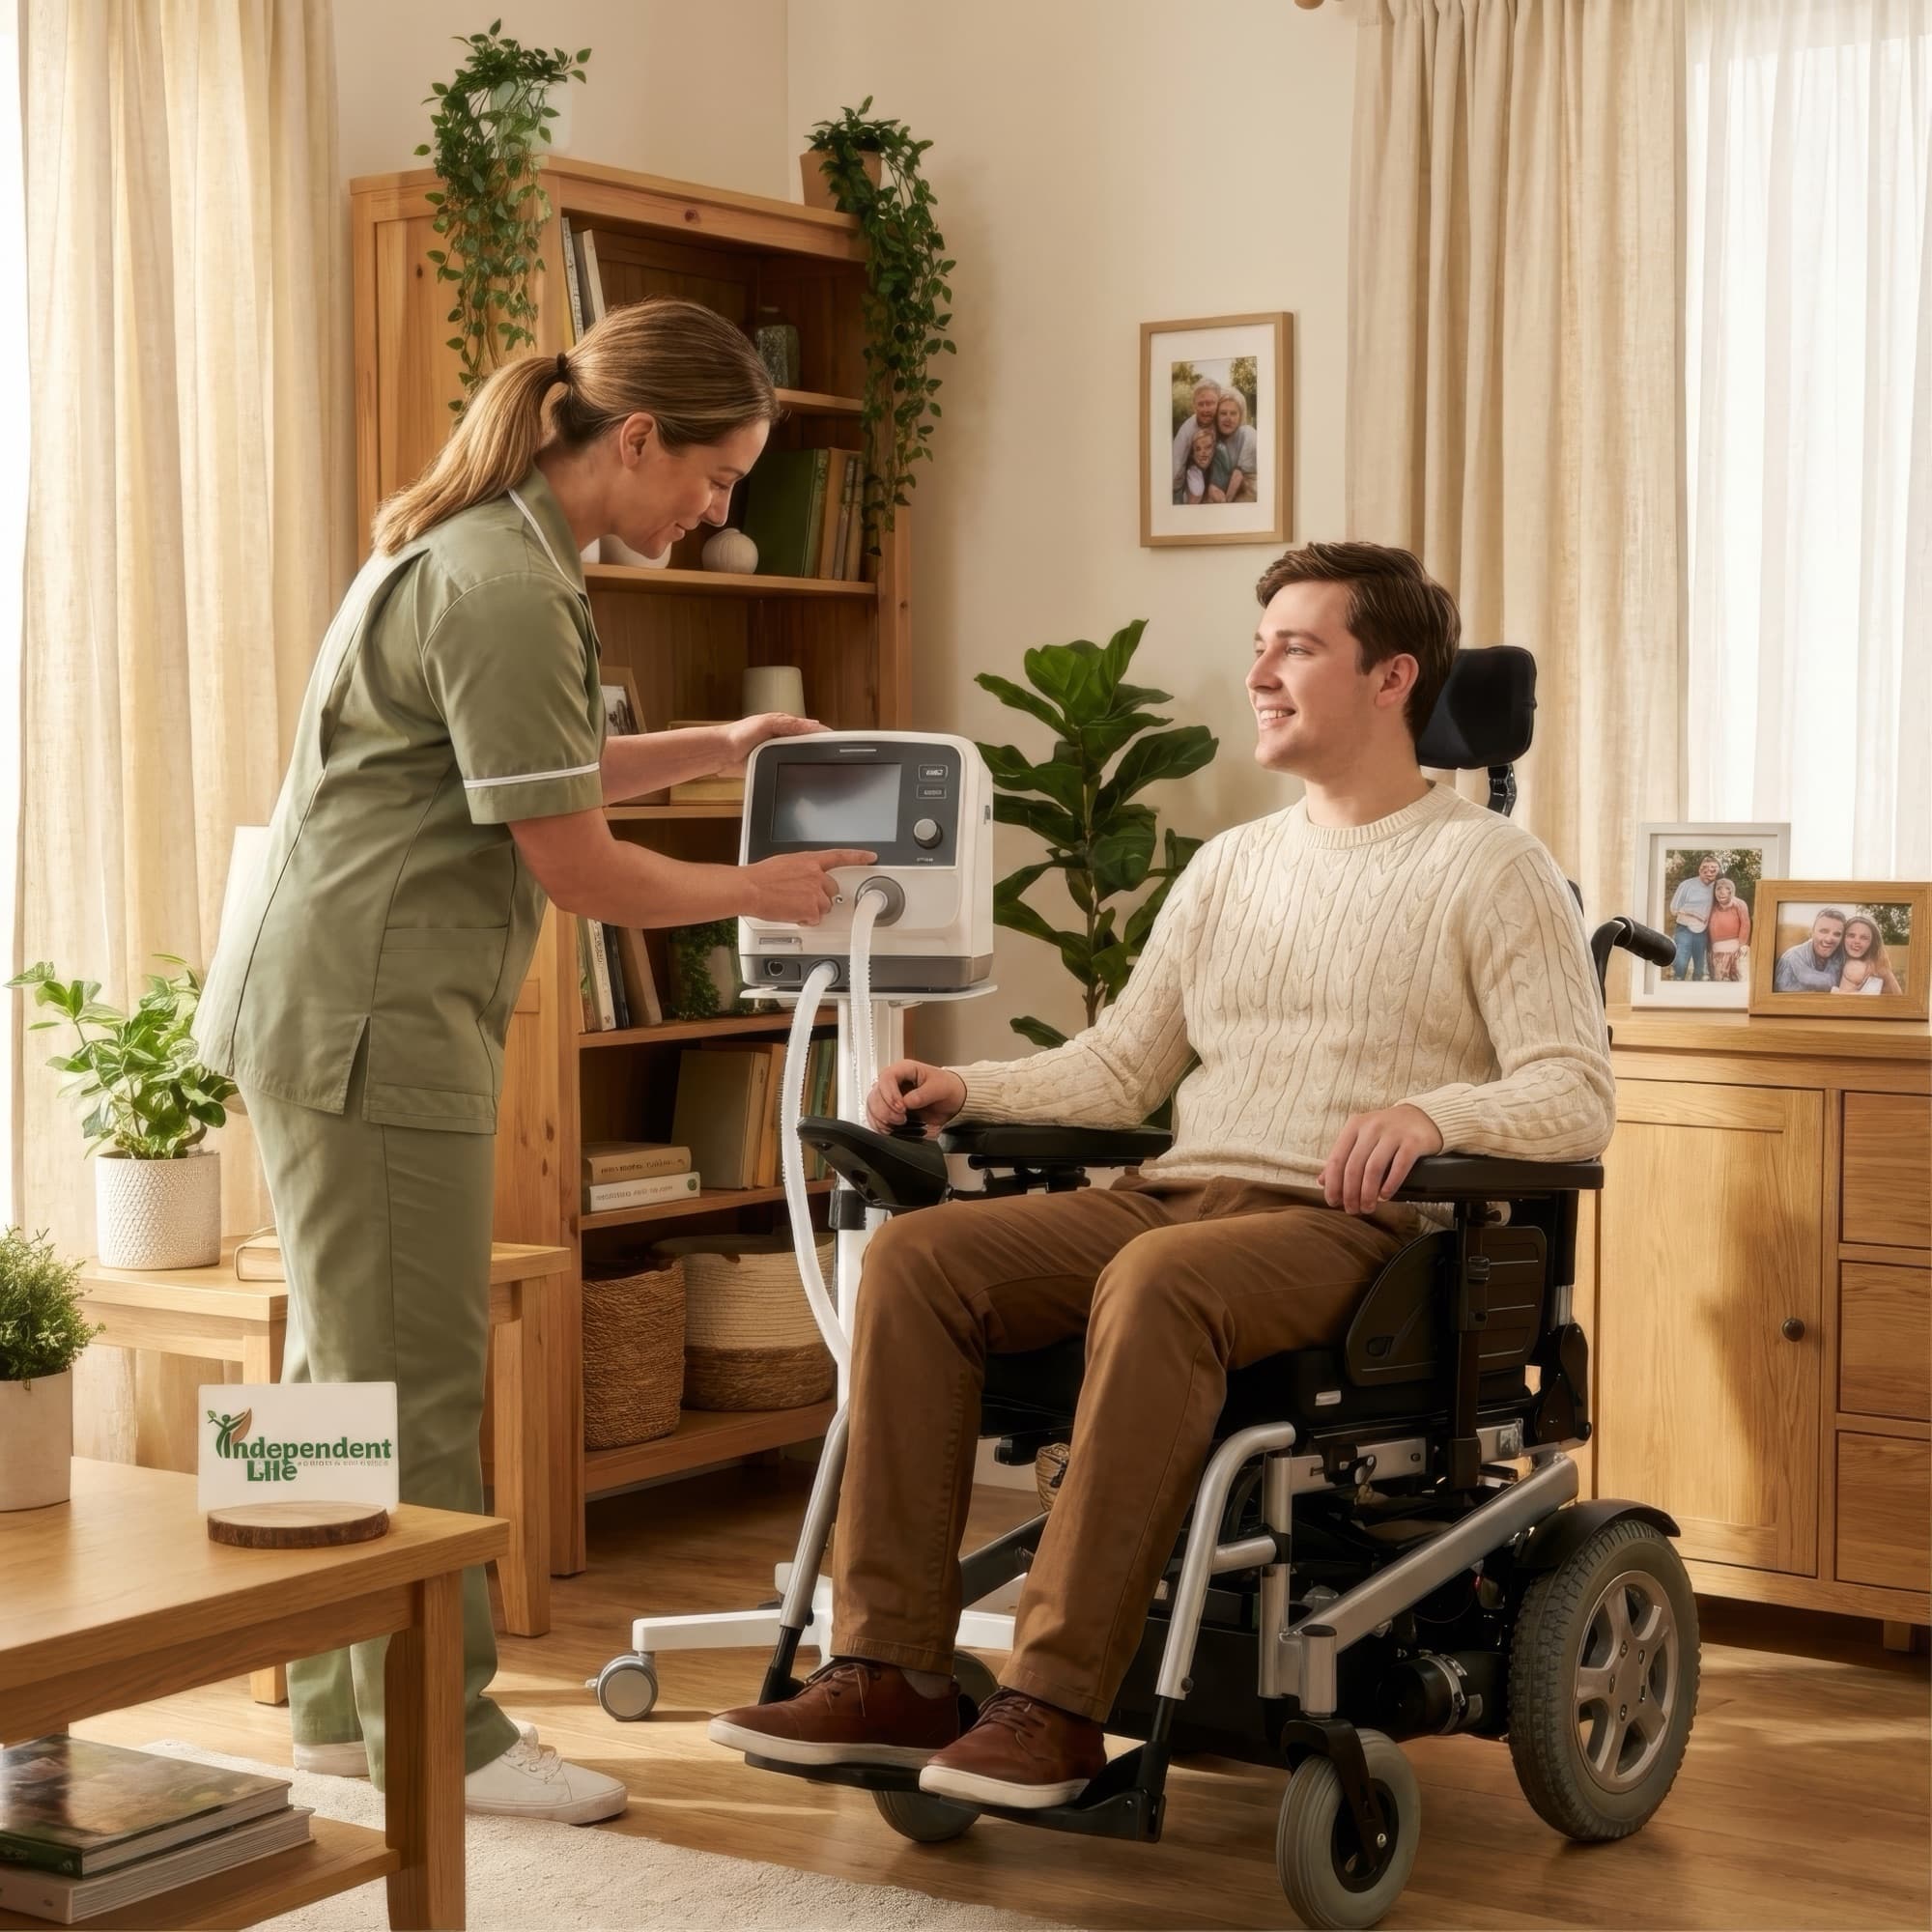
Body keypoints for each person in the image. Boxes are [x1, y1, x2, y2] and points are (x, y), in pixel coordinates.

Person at [710, 540, 1614, 1809]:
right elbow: (1121, 1066)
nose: (1260, 673)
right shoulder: (1230, 868)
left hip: (1354, 1231)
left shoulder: (1490, 868)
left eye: (1296, 647)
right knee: (921, 1256)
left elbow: (1577, 1093)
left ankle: (1055, 1703)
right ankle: (891, 1671)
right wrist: (970, 1092)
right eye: (1262, 646)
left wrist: (1430, 1111)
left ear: (1392, 677)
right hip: (1180, 1196)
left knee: (1159, 1277)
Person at [194, 298, 874, 1825]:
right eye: (713, 480)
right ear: (636, 437)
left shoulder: (493, 549)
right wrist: (753, 892)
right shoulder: (501, 580)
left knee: (330, 1369)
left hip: (334, 999)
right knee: (413, 1374)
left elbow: (529, 775)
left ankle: (329, 1706)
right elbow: (577, 866)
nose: (714, 515)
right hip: (373, 1012)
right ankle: (446, 1734)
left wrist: (706, 746)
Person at [1668, 856, 1719, 980]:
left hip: (1704, 932)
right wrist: (1695, 914)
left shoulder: (1717, 887)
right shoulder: (1687, 885)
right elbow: (1673, 909)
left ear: (1718, 871)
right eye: (1705, 869)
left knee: (1700, 970)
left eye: (1713, 870)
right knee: (1680, 965)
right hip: (1684, 929)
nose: (1709, 872)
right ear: (1699, 870)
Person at [1172, 377, 1222, 502]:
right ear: (1194, 405)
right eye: (1201, 404)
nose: (1205, 409)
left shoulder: (1222, 420)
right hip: (1194, 474)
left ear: (1218, 402)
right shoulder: (1187, 430)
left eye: (1210, 403)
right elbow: (1176, 467)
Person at [1207, 385, 1259, 504]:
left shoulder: (1248, 433)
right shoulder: (1214, 440)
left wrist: (1226, 505)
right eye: (1223, 413)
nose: (1228, 418)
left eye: (1233, 413)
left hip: (1248, 495)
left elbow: (1238, 475)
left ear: (1240, 416)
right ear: (1216, 416)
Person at [1774, 908, 1847, 991]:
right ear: (1812, 933)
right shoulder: (1790, 959)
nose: (1829, 939)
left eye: (1837, 934)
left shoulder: (1841, 955)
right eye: (1823, 931)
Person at [1834, 915, 1902, 996]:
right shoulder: (1840, 960)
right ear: (1843, 938)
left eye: (1864, 938)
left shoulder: (1865, 967)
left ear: (1872, 943)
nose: (1857, 941)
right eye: (1851, 935)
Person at [1706, 877, 1751, 981]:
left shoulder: (1739, 904)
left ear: (1732, 891)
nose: (1722, 892)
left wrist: (1742, 944)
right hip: (1717, 950)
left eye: (1727, 888)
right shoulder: (1711, 906)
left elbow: (1745, 924)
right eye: (1719, 889)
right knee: (1720, 979)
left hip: (1736, 948)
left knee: (1738, 977)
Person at [1181, 424, 1216, 504]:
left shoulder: (1214, 468)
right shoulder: (1193, 474)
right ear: (1193, 454)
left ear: (1214, 449)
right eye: (1198, 449)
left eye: (1207, 447)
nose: (1203, 453)